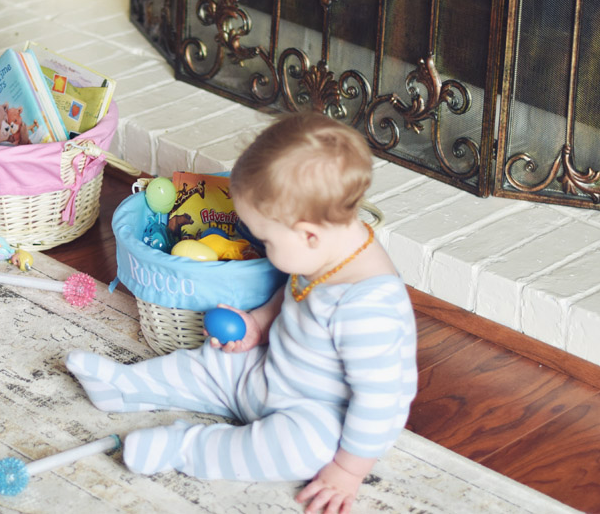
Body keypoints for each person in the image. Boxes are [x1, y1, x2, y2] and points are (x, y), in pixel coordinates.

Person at [66, 112, 417, 514]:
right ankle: (127, 386)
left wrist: (348, 470)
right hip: (272, 372)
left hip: (317, 413)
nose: (262, 247)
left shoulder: (368, 307)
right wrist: (258, 325)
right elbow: (290, 298)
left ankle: (183, 447)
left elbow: (381, 402)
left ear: (309, 235)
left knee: (295, 450)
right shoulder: (324, 252)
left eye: (265, 239)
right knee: (212, 362)